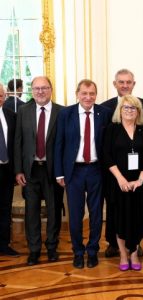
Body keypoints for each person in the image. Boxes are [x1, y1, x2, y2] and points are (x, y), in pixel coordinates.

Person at [54, 79, 111, 269]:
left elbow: (108, 146)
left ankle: (93, 251)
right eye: (84, 93)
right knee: (76, 215)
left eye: (92, 93)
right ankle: (78, 252)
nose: (88, 97)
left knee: (96, 214)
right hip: (74, 171)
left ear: (96, 94)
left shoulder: (104, 113)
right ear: (77, 94)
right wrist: (59, 173)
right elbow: (58, 144)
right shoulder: (65, 114)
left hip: (97, 170)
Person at [101, 69, 143, 258]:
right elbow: (106, 151)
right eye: (120, 82)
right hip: (116, 178)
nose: (124, 85)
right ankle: (115, 245)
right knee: (117, 214)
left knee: (137, 214)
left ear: (134, 83)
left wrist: (141, 179)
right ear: (115, 84)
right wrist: (119, 178)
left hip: (138, 179)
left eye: (128, 82)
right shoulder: (106, 108)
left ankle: (134, 248)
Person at [14, 76, 63, 265]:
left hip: (53, 171)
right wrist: (18, 170)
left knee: (53, 211)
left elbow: (65, 143)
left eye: (44, 88)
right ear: (31, 90)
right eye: (36, 88)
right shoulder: (24, 111)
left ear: (51, 89)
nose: (40, 91)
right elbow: (18, 142)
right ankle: (34, 250)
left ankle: (52, 247)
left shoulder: (62, 112)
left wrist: (62, 172)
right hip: (30, 171)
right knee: (31, 212)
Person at [0, 83, 19, 257]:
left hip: (6, 170)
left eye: (0, 95)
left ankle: (4, 245)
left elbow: (15, 144)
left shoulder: (10, 115)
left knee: (5, 208)